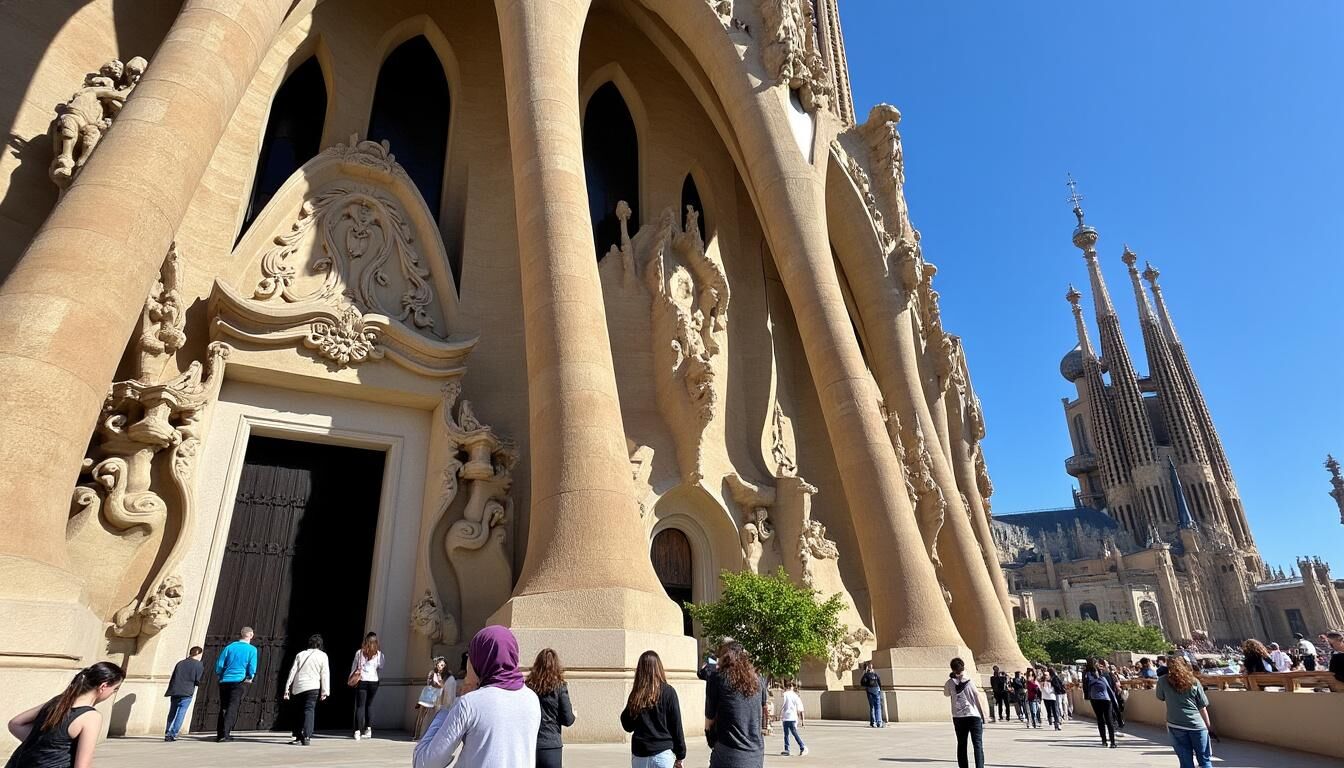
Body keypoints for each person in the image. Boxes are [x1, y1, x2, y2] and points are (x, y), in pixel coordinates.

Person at [414, 625, 541, 768]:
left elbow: (425, 763)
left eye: (470, 656)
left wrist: (446, 711)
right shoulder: (532, 699)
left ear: (481, 659)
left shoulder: (469, 704)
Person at [6, 662, 124, 768]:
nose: (113, 693)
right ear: (103, 686)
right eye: (115, 689)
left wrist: (43, 746)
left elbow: (15, 724)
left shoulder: (57, 702)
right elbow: (82, 766)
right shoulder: (91, 717)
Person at [705, 641, 767, 768]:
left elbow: (709, 720)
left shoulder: (717, 679)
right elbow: (761, 711)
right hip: (755, 753)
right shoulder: (758, 681)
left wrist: (711, 739)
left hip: (728, 752)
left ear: (724, 658)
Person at [620, 650, 686, 768]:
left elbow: (627, 725)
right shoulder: (668, 692)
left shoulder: (637, 694)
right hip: (662, 752)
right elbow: (676, 725)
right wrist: (680, 754)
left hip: (640, 754)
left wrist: (633, 703)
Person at [1155, 657, 1213, 768]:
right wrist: (1209, 727)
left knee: (1185, 762)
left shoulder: (1162, 681)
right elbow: (1202, 707)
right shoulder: (1194, 681)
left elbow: (1160, 696)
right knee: (1205, 761)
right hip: (1197, 725)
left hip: (1175, 724)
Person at [528, 648, 576, 768]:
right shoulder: (560, 687)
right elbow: (568, 720)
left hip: (531, 744)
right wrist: (573, 714)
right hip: (552, 744)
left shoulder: (528, 687)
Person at [284, 633, 330, 746]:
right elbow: (325, 674)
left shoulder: (301, 654)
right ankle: (307, 736)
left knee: (298, 711)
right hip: (313, 687)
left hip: (299, 686)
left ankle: (298, 736)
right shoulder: (323, 656)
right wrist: (325, 691)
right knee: (309, 710)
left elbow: (293, 671)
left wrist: (287, 688)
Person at [214, 626, 257, 742]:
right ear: (251, 635)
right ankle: (225, 734)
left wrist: (219, 675)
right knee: (232, 707)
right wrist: (250, 676)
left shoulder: (229, 647)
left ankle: (220, 733)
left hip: (225, 680)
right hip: (239, 680)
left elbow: (220, 663)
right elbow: (252, 666)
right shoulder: (252, 649)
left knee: (223, 706)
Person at [944, 657, 987, 768]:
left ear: (952, 669)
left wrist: (952, 678)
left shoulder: (950, 683)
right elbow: (977, 697)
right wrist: (983, 715)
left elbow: (946, 694)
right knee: (977, 744)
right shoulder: (969, 681)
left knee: (961, 744)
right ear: (963, 667)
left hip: (958, 717)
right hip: (973, 715)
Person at [163, 646, 203, 742]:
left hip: (175, 690)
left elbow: (174, 677)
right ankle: (173, 733)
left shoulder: (180, 663)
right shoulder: (198, 665)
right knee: (181, 712)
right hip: (187, 691)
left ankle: (167, 731)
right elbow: (198, 680)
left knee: (172, 712)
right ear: (199, 654)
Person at [350, 631, 384, 740]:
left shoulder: (359, 653)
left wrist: (351, 677)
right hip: (374, 681)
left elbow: (354, 666)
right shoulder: (379, 654)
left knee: (360, 706)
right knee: (369, 705)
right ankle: (368, 729)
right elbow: (381, 666)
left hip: (362, 680)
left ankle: (357, 731)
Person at [1083, 659, 1120, 748]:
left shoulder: (1087, 674)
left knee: (1101, 720)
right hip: (1104, 698)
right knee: (1108, 720)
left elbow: (1086, 686)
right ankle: (1112, 742)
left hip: (1095, 698)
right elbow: (1110, 687)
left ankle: (1105, 741)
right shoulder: (1102, 674)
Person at [416, 657, 451, 740]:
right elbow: (432, 683)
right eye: (440, 665)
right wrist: (440, 682)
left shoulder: (445, 675)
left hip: (436, 697)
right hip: (428, 695)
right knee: (421, 715)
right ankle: (417, 735)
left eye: (443, 665)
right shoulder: (433, 673)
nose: (442, 667)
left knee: (432, 716)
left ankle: (428, 735)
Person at [777, 680, 806, 757]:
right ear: (792, 687)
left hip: (786, 717)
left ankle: (787, 749)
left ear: (787, 687)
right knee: (794, 733)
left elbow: (781, 705)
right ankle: (802, 747)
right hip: (792, 717)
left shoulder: (785, 694)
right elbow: (800, 708)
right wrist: (803, 721)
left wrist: (779, 714)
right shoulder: (795, 696)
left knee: (786, 734)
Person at [859, 662, 883, 728]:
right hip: (877, 689)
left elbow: (862, 683)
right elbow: (879, 682)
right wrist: (879, 690)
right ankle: (879, 722)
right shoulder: (875, 674)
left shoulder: (866, 674)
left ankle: (873, 722)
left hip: (870, 690)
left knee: (872, 706)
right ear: (872, 668)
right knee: (878, 706)